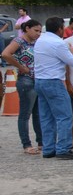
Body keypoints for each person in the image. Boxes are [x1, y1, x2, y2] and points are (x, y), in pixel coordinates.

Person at [34, 17, 73, 159]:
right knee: (65, 116)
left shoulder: (41, 40)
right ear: (59, 29)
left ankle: (48, 149)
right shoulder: (58, 43)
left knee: (46, 117)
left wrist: (71, 52)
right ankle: (63, 149)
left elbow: (57, 57)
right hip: (54, 81)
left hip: (40, 81)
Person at [2, 19, 43, 154]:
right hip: (26, 80)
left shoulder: (37, 42)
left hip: (38, 79)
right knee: (25, 114)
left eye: (40, 31)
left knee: (38, 113)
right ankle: (26, 144)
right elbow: (5, 54)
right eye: (36, 30)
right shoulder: (19, 41)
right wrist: (20, 66)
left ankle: (41, 142)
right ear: (27, 29)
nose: (38, 33)